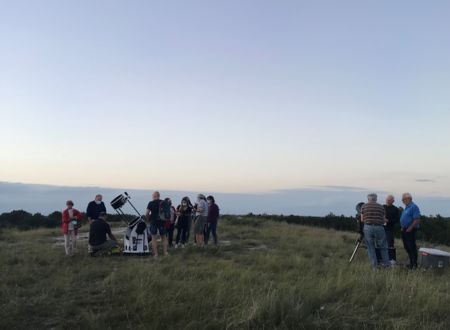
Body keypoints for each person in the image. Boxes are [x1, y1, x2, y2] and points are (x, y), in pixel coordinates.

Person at [361, 193, 390, 268]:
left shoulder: (363, 206)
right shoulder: (381, 207)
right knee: (383, 247)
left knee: (370, 247)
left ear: (368, 199)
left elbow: (362, 219)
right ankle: (386, 265)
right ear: (376, 199)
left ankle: (374, 267)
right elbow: (384, 220)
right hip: (379, 227)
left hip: (368, 227)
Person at [400, 193, 421, 269]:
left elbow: (417, 219)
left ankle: (414, 265)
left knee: (411, 247)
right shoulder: (406, 207)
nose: (402, 201)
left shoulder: (414, 207)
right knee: (406, 246)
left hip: (410, 230)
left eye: (403, 199)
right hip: (404, 229)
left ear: (408, 199)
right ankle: (411, 263)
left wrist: (411, 227)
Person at [145, 191, 168, 258]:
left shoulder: (151, 203)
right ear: (159, 196)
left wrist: (148, 219)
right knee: (163, 237)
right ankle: (165, 252)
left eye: (152, 196)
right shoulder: (164, 202)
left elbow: (146, 213)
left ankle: (156, 254)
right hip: (162, 222)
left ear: (154, 196)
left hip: (153, 222)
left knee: (153, 238)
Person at [383, 195, 400, 264]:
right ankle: (381, 259)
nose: (388, 201)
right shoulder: (382, 207)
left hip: (389, 229)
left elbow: (396, 220)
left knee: (390, 244)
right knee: (380, 244)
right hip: (380, 229)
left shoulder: (395, 209)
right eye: (387, 199)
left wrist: (388, 221)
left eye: (389, 200)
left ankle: (392, 261)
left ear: (393, 201)